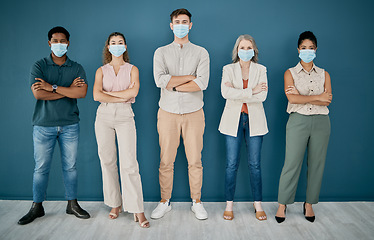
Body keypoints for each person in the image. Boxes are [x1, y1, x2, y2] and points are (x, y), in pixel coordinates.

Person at [18, 26, 90, 225]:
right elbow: (39, 94)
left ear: (69, 43)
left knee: (71, 167)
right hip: (43, 125)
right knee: (41, 168)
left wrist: (53, 87)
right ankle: (37, 207)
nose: (60, 44)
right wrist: (67, 90)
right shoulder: (39, 66)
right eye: (55, 41)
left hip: (70, 124)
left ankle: (72, 204)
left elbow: (82, 93)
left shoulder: (77, 68)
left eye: (63, 41)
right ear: (49, 43)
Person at [151, 8, 210, 220]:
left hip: (195, 112)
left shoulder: (201, 52)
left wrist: (173, 83)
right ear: (171, 25)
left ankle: (197, 201)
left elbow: (202, 83)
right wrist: (188, 78)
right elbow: (160, 81)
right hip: (167, 113)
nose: (181, 25)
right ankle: (164, 201)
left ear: (191, 25)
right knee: (166, 160)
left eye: (185, 21)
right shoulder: (161, 52)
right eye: (177, 21)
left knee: (195, 160)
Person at [93, 32, 149, 228]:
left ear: (125, 46)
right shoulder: (101, 70)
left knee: (129, 164)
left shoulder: (133, 69)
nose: (117, 45)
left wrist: (108, 94)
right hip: (103, 117)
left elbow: (134, 93)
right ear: (108, 47)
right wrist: (120, 96)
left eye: (120, 42)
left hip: (125, 116)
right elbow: (96, 96)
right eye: (113, 43)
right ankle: (114, 204)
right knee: (107, 161)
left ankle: (137, 209)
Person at [275, 31, 332, 223]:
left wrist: (302, 96)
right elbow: (292, 98)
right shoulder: (289, 73)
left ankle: (309, 204)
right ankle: (282, 204)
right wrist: (317, 97)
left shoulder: (325, 74)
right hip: (298, 120)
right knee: (291, 163)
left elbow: (327, 101)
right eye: (304, 48)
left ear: (316, 50)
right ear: (298, 49)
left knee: (317, 164)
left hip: (321, 122)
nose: (307, 51)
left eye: (311, 48)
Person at [219, 34, 269, 221]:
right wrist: (251, 91)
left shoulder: (262, 69)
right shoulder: (228, 69)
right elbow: (225, 92)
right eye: (242, 47)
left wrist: (238, 92)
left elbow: (262, 96)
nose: (245, 51)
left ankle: (258, 205)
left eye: (249, 48)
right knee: (231, 164)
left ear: (254, 50)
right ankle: (229, 205)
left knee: (255, 165)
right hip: (232, 120)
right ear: (236, 50)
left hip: (255, 120)